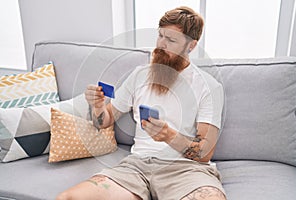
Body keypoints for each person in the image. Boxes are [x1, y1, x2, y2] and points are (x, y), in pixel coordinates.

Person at [56, 6, 226, 200]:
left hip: (186, 170)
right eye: (160, 35)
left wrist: (169, 135)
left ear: (191, 45)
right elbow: (104, 121)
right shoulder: (139, 75)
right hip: (136, 167)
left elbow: (204, 153)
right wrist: (98, 106)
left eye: (170, 40)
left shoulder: (209, 87)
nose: (161, 44)